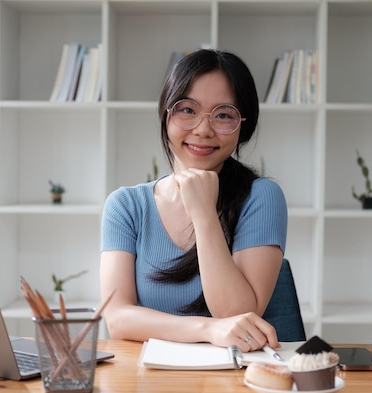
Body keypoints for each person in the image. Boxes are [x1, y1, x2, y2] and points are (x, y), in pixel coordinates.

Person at [99, 49, 288, 353]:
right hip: (149, 381)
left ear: (243, 126)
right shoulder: (125, 205)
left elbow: (237, 315)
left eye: (223, 115)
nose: (203, 129)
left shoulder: (262, 197)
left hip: (232, 381)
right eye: (187, 110)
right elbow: (118, 320)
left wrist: (203, 214)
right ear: (166, 114)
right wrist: (208, 329)